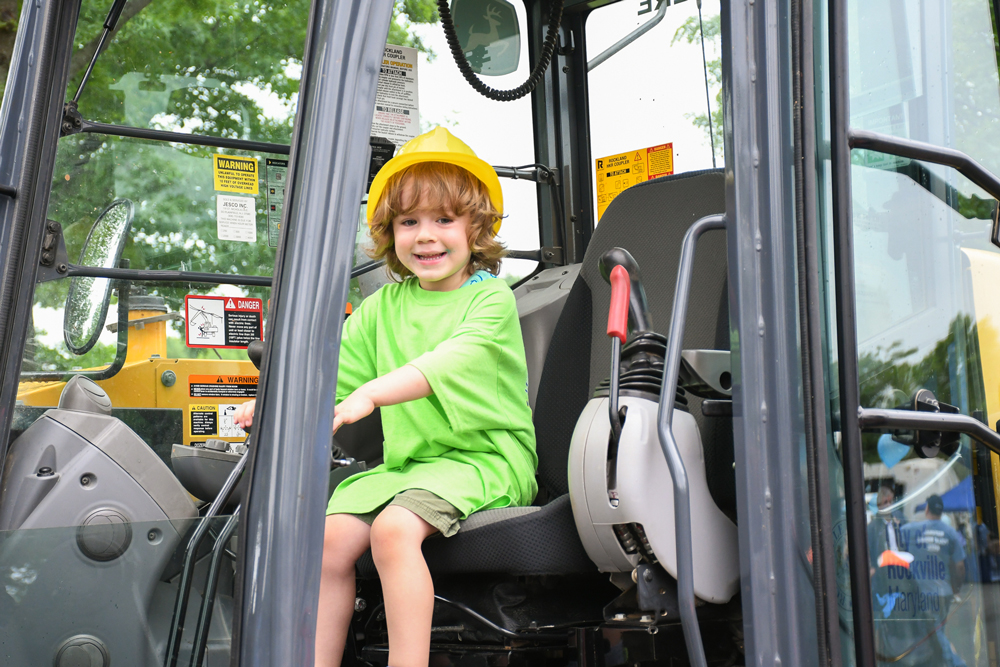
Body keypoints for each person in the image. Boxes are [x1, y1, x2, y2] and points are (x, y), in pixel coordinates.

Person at [233, 127, 538, 667]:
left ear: (477, 227)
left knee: (394, 530)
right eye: (409, 222)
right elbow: (330, 372)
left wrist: (370, 396)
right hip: (409, 467)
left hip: (485, 460)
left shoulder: (490, 300)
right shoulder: (381, 307)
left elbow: (446, 364)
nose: (426, 236)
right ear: (390, 232)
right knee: (325, 539)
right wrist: (275, 402)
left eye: (444, 220)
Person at [900, 494, 967, 667]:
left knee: (935, 636)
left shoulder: (910, 530)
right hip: (944, 593)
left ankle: (956, 664)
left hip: (924, 594)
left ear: (927, 509)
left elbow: (893, 542)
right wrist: (956, 588)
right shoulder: (950, 532)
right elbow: (960, 566)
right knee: (938, 633)